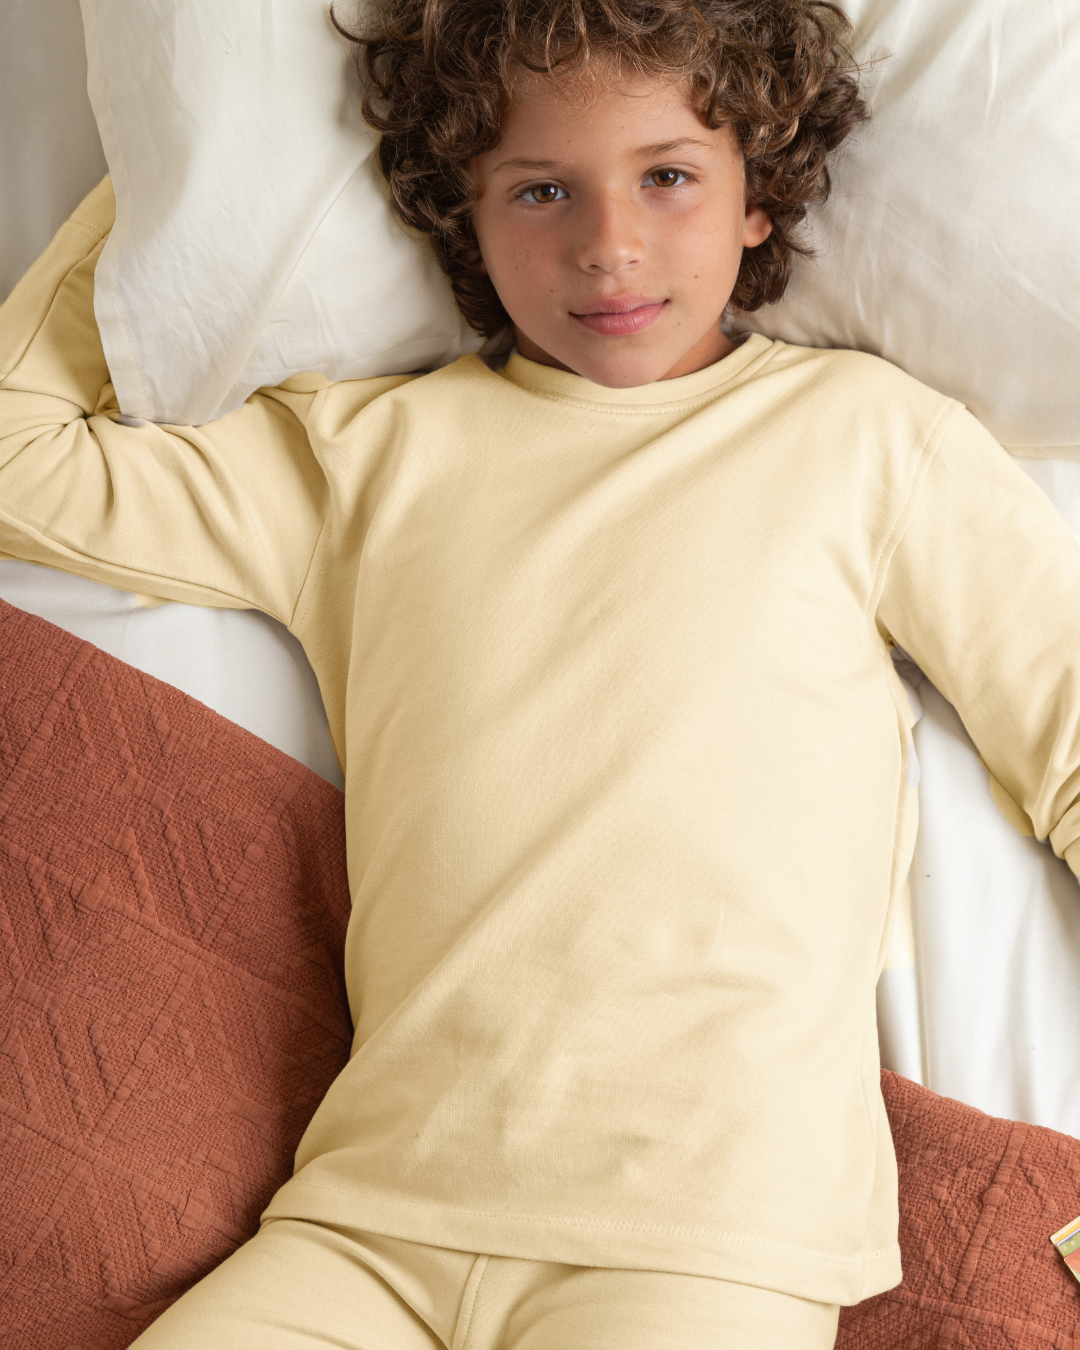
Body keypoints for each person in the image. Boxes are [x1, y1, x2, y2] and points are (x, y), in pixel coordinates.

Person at [2, 0, 1079, 1345]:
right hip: (371, 1219)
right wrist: (185, 177)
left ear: (759, 190)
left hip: (703, 1234)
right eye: (541, 190)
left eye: (668, 176)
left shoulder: (869, 440)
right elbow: (24, 463)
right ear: (463, 212)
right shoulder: (361, 459)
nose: (608, 244)